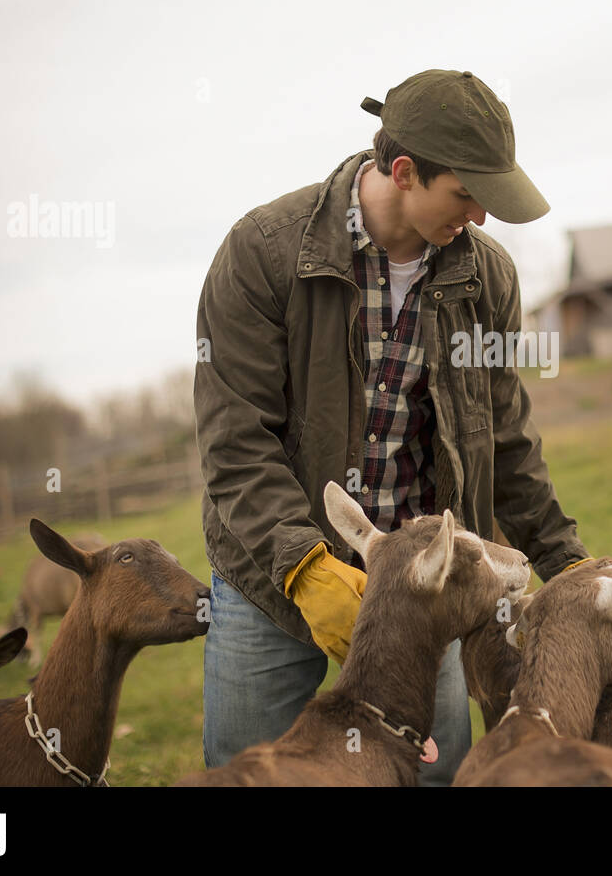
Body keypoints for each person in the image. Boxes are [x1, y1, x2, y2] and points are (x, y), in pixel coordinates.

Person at [193, 69, 589, 784]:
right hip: (268, 580)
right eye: (466, 194)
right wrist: (306, 570)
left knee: (430, 776)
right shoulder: (263, 253)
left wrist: (571, 563)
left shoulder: (487, 279)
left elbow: (507, 439)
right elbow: (235, 442)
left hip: (422, 587)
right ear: (403, 171)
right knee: (245, 774)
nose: (480, 217)